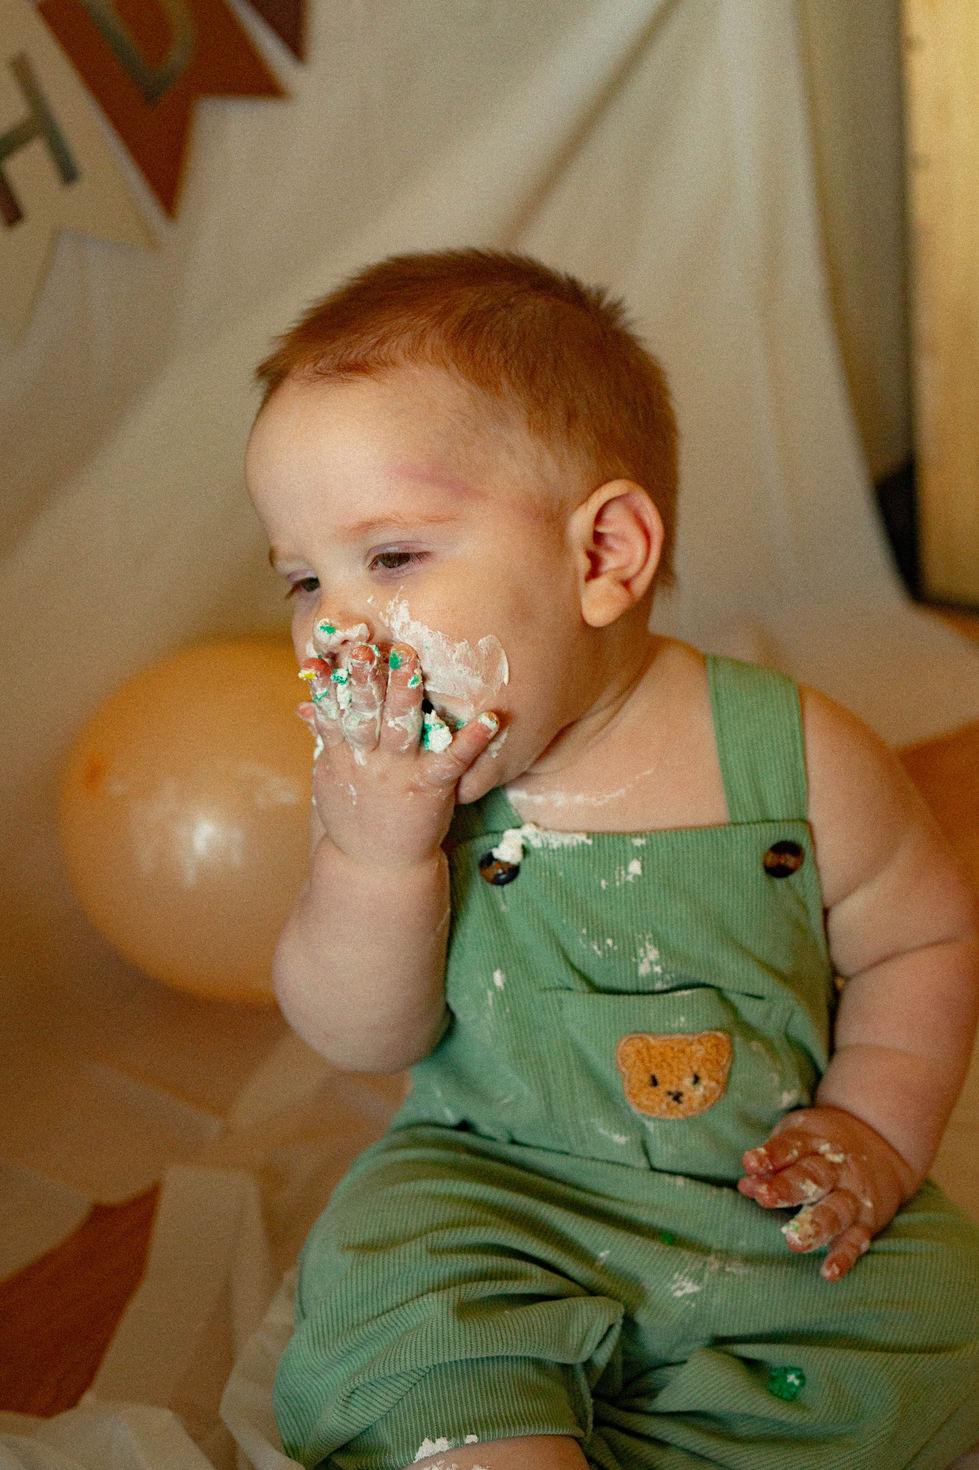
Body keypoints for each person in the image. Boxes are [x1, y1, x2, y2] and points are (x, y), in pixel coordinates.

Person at [245, 248, 979, 1470]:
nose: (337, 627)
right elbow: (359, 1038)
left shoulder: (795, 760)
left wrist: (872, 1131)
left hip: (751, 1197)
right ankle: (499, 1433)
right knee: (400, 1287)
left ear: (601, 557)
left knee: (935, 1312)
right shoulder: (387, 798)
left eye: (391, 559)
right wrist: (376, 862)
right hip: (495, 1195)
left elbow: (920, 940)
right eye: (302, 579)